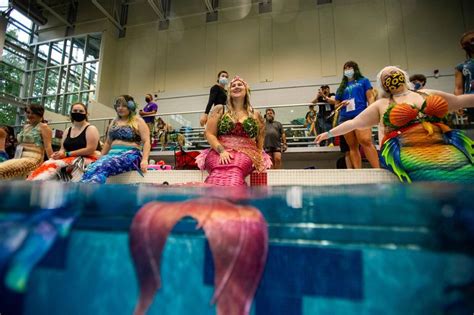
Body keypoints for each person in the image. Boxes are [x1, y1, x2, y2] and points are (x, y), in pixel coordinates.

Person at [316, 66, 474, 183]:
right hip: (410, 156)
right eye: (386, 75)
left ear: (403, 76)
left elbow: (461, 101)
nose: (390, 74)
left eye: (393, 71)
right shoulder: (381, 104)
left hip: (446, 149)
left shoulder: (428, 93)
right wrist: (328, 134)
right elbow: (353, 123)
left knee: (466, 176)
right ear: (383, 84)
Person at [196, 76, 271, 186]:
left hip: (247, 152)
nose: (236, 87)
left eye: (240, 85)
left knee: (235, 171)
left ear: (246, 90)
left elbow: (261, 135)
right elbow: (210, 133)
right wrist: (222, 151)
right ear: (229, 92)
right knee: (218, 170)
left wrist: (259, 154)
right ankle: (210, 201)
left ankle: (234, 200)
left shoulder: (256, 114)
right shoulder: (219, 109)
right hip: (219, 150)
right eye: (233, 85)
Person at [81, 95, 150, 183]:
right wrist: (100, 158)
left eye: (124, 105)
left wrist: (144, 160)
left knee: (106, 165)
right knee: (91, 168)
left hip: (130, 155)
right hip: (111, 155)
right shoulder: (114, 122)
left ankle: (91, 190)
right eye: (118, 105)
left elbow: (146, 141)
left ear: (131, 106)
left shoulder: (138, 121)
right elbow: (108, 143)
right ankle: (83, 191)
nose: (120, 108)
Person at [28, 102, 100, 181]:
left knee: (56, 166)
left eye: (81, 111)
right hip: (69, 159)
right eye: (75, 111)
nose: (78, 113)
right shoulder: (67, 130)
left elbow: (90, 149)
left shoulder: (91, 128)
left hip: (86, 159)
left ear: (86, 113)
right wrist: (59, 153)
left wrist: (67, 154)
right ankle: (34, 182)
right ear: (71, 113)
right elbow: (63, 148)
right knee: (48, 163)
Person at [335, 61, 379, 168]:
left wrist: (371, 110)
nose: (347, 70)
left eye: (350, 68)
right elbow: (336, 105)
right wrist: (341, 104)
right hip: (345, 117)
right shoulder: (341, 87)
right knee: (352, 146)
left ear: (355, 69)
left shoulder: (364, 81)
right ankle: (358, 172)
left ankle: (378, 169)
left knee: (365, 141)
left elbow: (370, 97)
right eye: (345, 68)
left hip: (361, 115)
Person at [0, 104, 53, 179]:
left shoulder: (44, 127)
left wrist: (53, 162)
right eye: (28, 112)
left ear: (40, 114)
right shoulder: (26, 126)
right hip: (19, 157)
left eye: (33, 113)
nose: (30, 115)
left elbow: (48, 146)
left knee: (2, 169)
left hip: (33, 159)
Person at [454, 30, 474, 123]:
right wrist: (458, 104)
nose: (472, 43)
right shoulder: (461, 66)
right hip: (471, 103)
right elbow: (458, 88)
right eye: (468, 42)